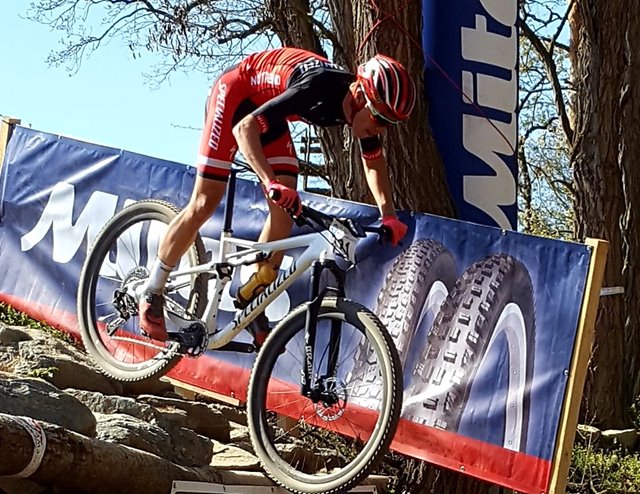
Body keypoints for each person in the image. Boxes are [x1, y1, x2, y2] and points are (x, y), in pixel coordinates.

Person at [139, 47, 416, 343]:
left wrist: (388, 215)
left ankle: (252, 295)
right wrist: (269, 182)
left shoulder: (360, 110)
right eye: (381, 120)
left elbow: (373, 161)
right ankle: (152, 289)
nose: (381, 130)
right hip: (235, 94)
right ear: (360, 95)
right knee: (206, 201)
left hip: (266, 110)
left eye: (390, 124)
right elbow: (245, 128)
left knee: (284, 214)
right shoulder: (317, 86)